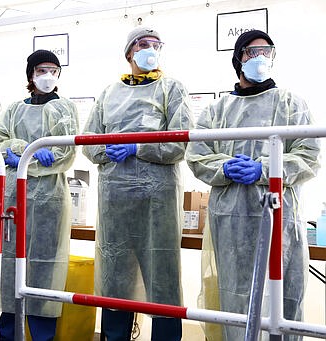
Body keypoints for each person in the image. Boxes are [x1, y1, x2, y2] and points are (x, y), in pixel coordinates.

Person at [186, 30, 321, 340]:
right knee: (236, 297)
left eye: (267, 52)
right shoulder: (216, 111)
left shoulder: (291, 104)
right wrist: (224, 167)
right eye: (252, 52)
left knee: (283, 293)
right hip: (230, 220)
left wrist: (265, 168)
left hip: (278, 217)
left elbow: (309, 155)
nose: (261, 58)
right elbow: (197, 156)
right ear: (238, 59)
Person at [82, 27, 193, 341]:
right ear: (129, 52)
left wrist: (138, 147)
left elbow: (180, 143)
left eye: (157, 44)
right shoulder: (108, 93)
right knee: (116, 274)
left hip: (157, 201)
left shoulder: (172, 89)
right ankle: (116, 336)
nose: (151, 49)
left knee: (163, 274)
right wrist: (108, 149)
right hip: (115, 200)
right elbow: (89, 142)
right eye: (144, 44)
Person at [0, 49, 78, 341]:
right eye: (42, 70)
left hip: (50, 199)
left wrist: (26, 155)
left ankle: (42, 335)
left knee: (45, 268)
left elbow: (64, 152)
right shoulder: (15, 109)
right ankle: (7, 333)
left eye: (53, 70)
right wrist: (25, 149)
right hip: (16, 196)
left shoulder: (65, 108)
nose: (47, 76)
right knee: (11, 265)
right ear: (31, 74)